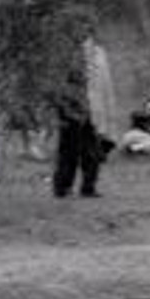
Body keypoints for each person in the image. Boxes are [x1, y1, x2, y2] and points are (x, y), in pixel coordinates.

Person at [53, 24, 119, 198]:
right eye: (82, 32)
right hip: (71, 107)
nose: (86, 36)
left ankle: (88, 187)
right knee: (69, 149)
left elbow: (106, 83)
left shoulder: (100, 54)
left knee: (92, 150)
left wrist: (108, 108)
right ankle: (62, 186)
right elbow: (60, 83)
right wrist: (67, 105)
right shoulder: (67, 54)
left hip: (93, 108)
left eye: (89, 32)